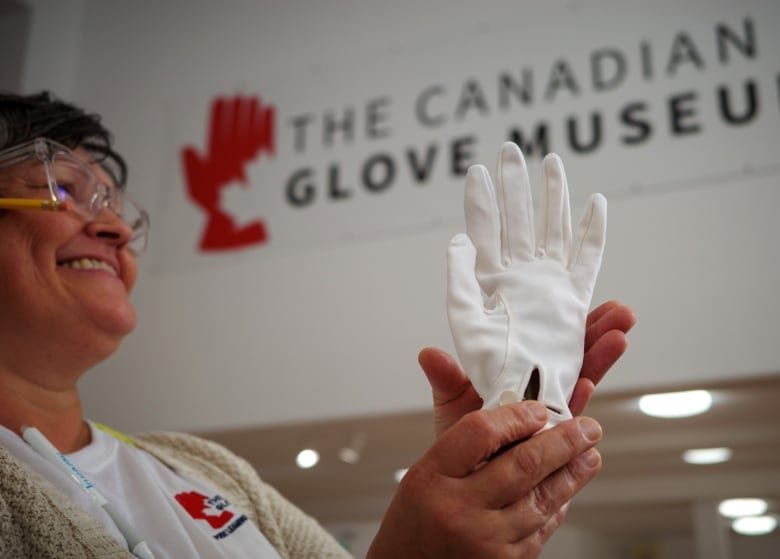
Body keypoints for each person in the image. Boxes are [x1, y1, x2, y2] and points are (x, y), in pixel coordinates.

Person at [0, 91, 635, 559]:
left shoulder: (200, 467)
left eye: (115, 205)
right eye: (61, 191)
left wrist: (491, 488)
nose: (114, 227)